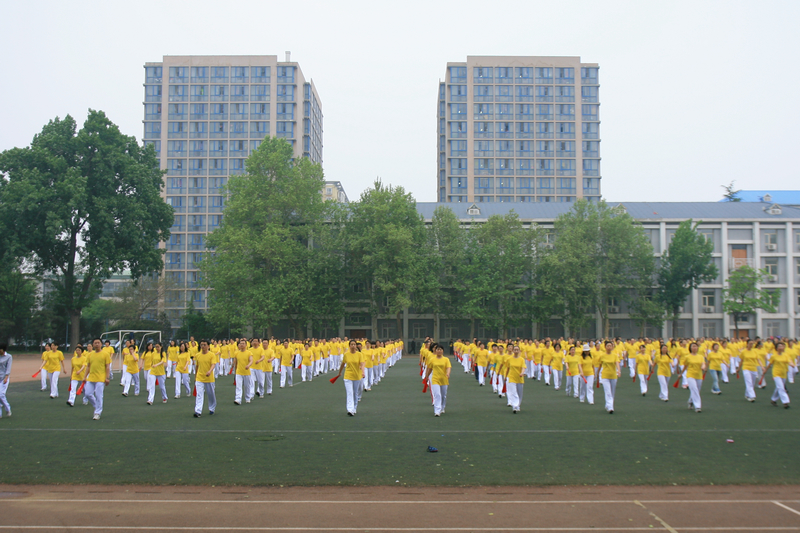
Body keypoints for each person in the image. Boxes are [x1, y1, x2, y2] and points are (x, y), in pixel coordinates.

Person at [335, 339, 366, 416]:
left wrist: (362, 372)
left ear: (356, 346)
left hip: (357, 376)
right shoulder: (346, 354)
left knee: (355, 393)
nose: (353, 346)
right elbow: (343, 364)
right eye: (351, 344)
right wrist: (339, 372)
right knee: (349, 393)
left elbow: (362, 364)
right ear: (349, 346)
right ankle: (350, 409)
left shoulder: (359, 354)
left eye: (354, 344)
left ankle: (354, 408)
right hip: (348, 376)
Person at [84, 338, 111, 420]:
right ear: (92, 345)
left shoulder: (105, 354)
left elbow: (107, 367)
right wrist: (85, 377)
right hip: (91, 377)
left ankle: (97, 412)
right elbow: (88, 366)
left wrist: (107, 377)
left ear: (101, 344)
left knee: (99, 396)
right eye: (95, 343)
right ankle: (97, 406)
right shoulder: (90, 355)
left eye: (98, 343)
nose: (96, 344)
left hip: (100, 378)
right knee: (87, 394)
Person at [423, 343, 451, 417]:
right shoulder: (432, 359)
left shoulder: (446, 359)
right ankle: (437, 410)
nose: (439, 351)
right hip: (435, 379)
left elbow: (448, 367)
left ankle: (442, 407)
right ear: (435, 351)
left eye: (440, 349)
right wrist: (426, 377)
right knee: (437, 394)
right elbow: (429, 369)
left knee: (443, 395)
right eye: (438, 349)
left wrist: (448, 373)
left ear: (443, 351)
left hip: (444, 379)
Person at [194, 340, 217, 417]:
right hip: (199, 378)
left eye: (204, 345)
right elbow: (197, 366)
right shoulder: (197, 355)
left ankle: (212, 408)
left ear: (208, 346)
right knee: (199, 394)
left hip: (209, 378)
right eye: (201, 345)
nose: (203, 346)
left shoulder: (211, 355)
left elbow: (213, 364)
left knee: (211, 394)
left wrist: (210, 371)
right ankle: (198, 411)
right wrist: (196, 376)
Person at [769, 341, 795, 409]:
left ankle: (773, 400)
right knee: (781, 388)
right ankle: (785, 402)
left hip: (783, 373)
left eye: (782, 346)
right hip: (776, 373)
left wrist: (792, 364)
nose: (781, 347)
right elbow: (769, 364)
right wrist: (764, 370)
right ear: (776, 348)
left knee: (778, 387)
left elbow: (789, 361)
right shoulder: (774, 356)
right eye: (779, 346)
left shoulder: (786, 355)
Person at [599, 340, 621, 414]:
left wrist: (619, 371)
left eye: (610, 346)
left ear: (612, 347)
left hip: (613, 375)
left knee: (612, 392)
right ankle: (610, 407)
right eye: (608, 346)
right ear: (605, 347)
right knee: (608, 391)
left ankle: (608, 404)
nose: (609, 347)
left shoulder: (615, 355)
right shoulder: (602, 355)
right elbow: (600, 365)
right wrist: (597, 374)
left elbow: (617, 363)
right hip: (605, 375)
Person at [684, 342, 706, 413]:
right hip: (690, 375)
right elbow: (685, 366)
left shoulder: (700, 357)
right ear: (690, 348)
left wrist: (703, 367)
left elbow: (703, 364)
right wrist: (681, 374)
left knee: (697, 390)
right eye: (693, 346)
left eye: (696, 346)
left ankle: (690, 401)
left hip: (699, 375)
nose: (695, 348)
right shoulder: (687, 357)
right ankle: (698, 406)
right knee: (694, 389)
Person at [504, 344, 525, 413]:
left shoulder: (521, 359)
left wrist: (522, 373)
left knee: (519, 393)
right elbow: (507, 368)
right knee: (513, 392)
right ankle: (514, 406)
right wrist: (505, 376)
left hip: (519, 378)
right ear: (513, 350)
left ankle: (518, 405)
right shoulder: (509, 359)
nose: (516, 351)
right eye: (515, 350)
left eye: (517, 350)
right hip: (511, 377)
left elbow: (523, 367)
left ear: (519, 351)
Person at [233, 339, 253, 405]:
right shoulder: (236, 353)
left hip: (247, 372)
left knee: (247, 386)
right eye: (240, 343)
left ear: (246, 345)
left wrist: (248, 365)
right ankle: (238, 399)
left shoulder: (249, 353)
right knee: (238, 386)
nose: (241, 345)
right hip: (239, 372)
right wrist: (235, 370)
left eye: (243, 343)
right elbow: (235, 362)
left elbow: (251, 360)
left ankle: (247, 398)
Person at [0, 344, 11, 418]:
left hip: (3, 378)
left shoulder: (8, 357)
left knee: (1, 395)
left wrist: (6, 377)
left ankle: (8, 409)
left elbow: (8, 367)